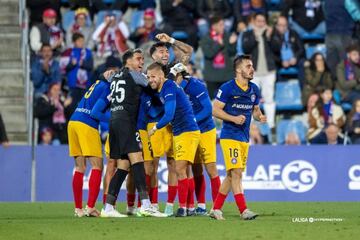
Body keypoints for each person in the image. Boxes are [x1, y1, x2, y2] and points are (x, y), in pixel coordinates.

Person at [101, 49, 166, 218]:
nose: (141, 62)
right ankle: (145, 204)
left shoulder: (114, 76)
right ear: (127, 61)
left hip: (114, 121)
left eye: (142, 59)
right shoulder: (135, 75)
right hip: (126, 122)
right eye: (138, 59)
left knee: (123, 166)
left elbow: (107, 76)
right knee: (138, 160)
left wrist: (107, 73)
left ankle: (108, 207)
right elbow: (152, 87)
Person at [210, 55, 267, 220]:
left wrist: (260, 116)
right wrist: (233, 118)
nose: (252, 69)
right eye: (248, 66)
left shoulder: (254, 89)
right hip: (229, 136)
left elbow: (255, 110)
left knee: (231, 175)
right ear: (238, 69)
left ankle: (216, 209)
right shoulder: (227, 88)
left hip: (244, 137)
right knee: (236, 173)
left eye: (252, 66)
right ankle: (244, 210)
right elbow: (215, 110)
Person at [147, 62, 200, 217]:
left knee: (180, 169)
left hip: (187, 131)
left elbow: (169, 114)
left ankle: (183, 208)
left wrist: (155, 128)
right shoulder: (167, 83)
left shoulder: (168, 88)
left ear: (161, 76)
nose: (151, 80)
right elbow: (170, 74)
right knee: (183, 170)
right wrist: (177, 68)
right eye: (149, 77)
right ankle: (188, 206)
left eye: (153, 76)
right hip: (181, 131)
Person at [174, 70, 221, 216]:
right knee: (195, 168)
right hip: (189, 132)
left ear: (180, 75)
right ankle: (199, 205)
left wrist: (192, 120)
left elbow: (208, 109)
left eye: (173, 76)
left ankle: (216, 207)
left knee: (211, 168)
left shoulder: (196, 85)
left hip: (205, 129)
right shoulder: (172, 88)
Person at [67, 75, 111, 217]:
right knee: (98, 166)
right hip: (87, 124)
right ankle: (90, 207)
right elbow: (96, 112)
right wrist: (115, 119)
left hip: (73, 122)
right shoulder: (109, 87)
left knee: (80, 167)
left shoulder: (96, 83)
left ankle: (78, 209)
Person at [242, 13, 276, 130]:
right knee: (251, 99)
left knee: (269, 99)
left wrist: (270, 37)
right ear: (254, 22)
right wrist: (255, 37)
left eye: (263, 21)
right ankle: (250, 126)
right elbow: (246, 48)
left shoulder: (270, 33)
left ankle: (271, 126)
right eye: (258, 21)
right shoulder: (248, 34)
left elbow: (277, 48)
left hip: (269, 72)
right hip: (253, 72)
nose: (261, 24)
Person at [200, 16, 238, 99]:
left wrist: (232, 44)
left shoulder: (228, 36)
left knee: (228, 101)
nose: (223, 27)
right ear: (214, 26)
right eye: (220, 25)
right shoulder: (206, 38)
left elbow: (232, 53)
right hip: (212, 76)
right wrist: (218, 44)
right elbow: (208, 54)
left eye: (223, 24)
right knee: (212, 101)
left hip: (227, 75)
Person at [61, 32, 94, 113]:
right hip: (73, 85)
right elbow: (63, 67)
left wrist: (83, 64)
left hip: (85, 85)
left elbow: (90, 66)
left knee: (84, 107)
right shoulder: (68, 52)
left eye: (82, 41)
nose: (81, 43)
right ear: (74, 42)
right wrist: (71, 64)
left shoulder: (88, 52)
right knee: (72, 106)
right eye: (79, 41)